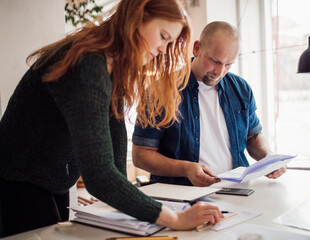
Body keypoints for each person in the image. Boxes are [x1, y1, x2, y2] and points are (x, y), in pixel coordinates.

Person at [0, 0, 223, 237]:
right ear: (136, 19)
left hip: (54, 181)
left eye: (169, 43)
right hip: (20, 179)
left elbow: (115, 162)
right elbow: (99, 175)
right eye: (163, 36)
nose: (163, 50)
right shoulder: (87, 63)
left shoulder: (112, 65)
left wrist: (138, 204)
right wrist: (175, 218)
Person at [132, 21, 286, 187]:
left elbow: (253, 136)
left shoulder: (241, 89)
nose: (220, 72)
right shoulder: (161, 90)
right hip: (184, 197)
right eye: (215, 61)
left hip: (237, 192)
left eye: (228, 64)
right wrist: (185, 169)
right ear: (197, 48)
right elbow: (141, 154)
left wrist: (268, 157)